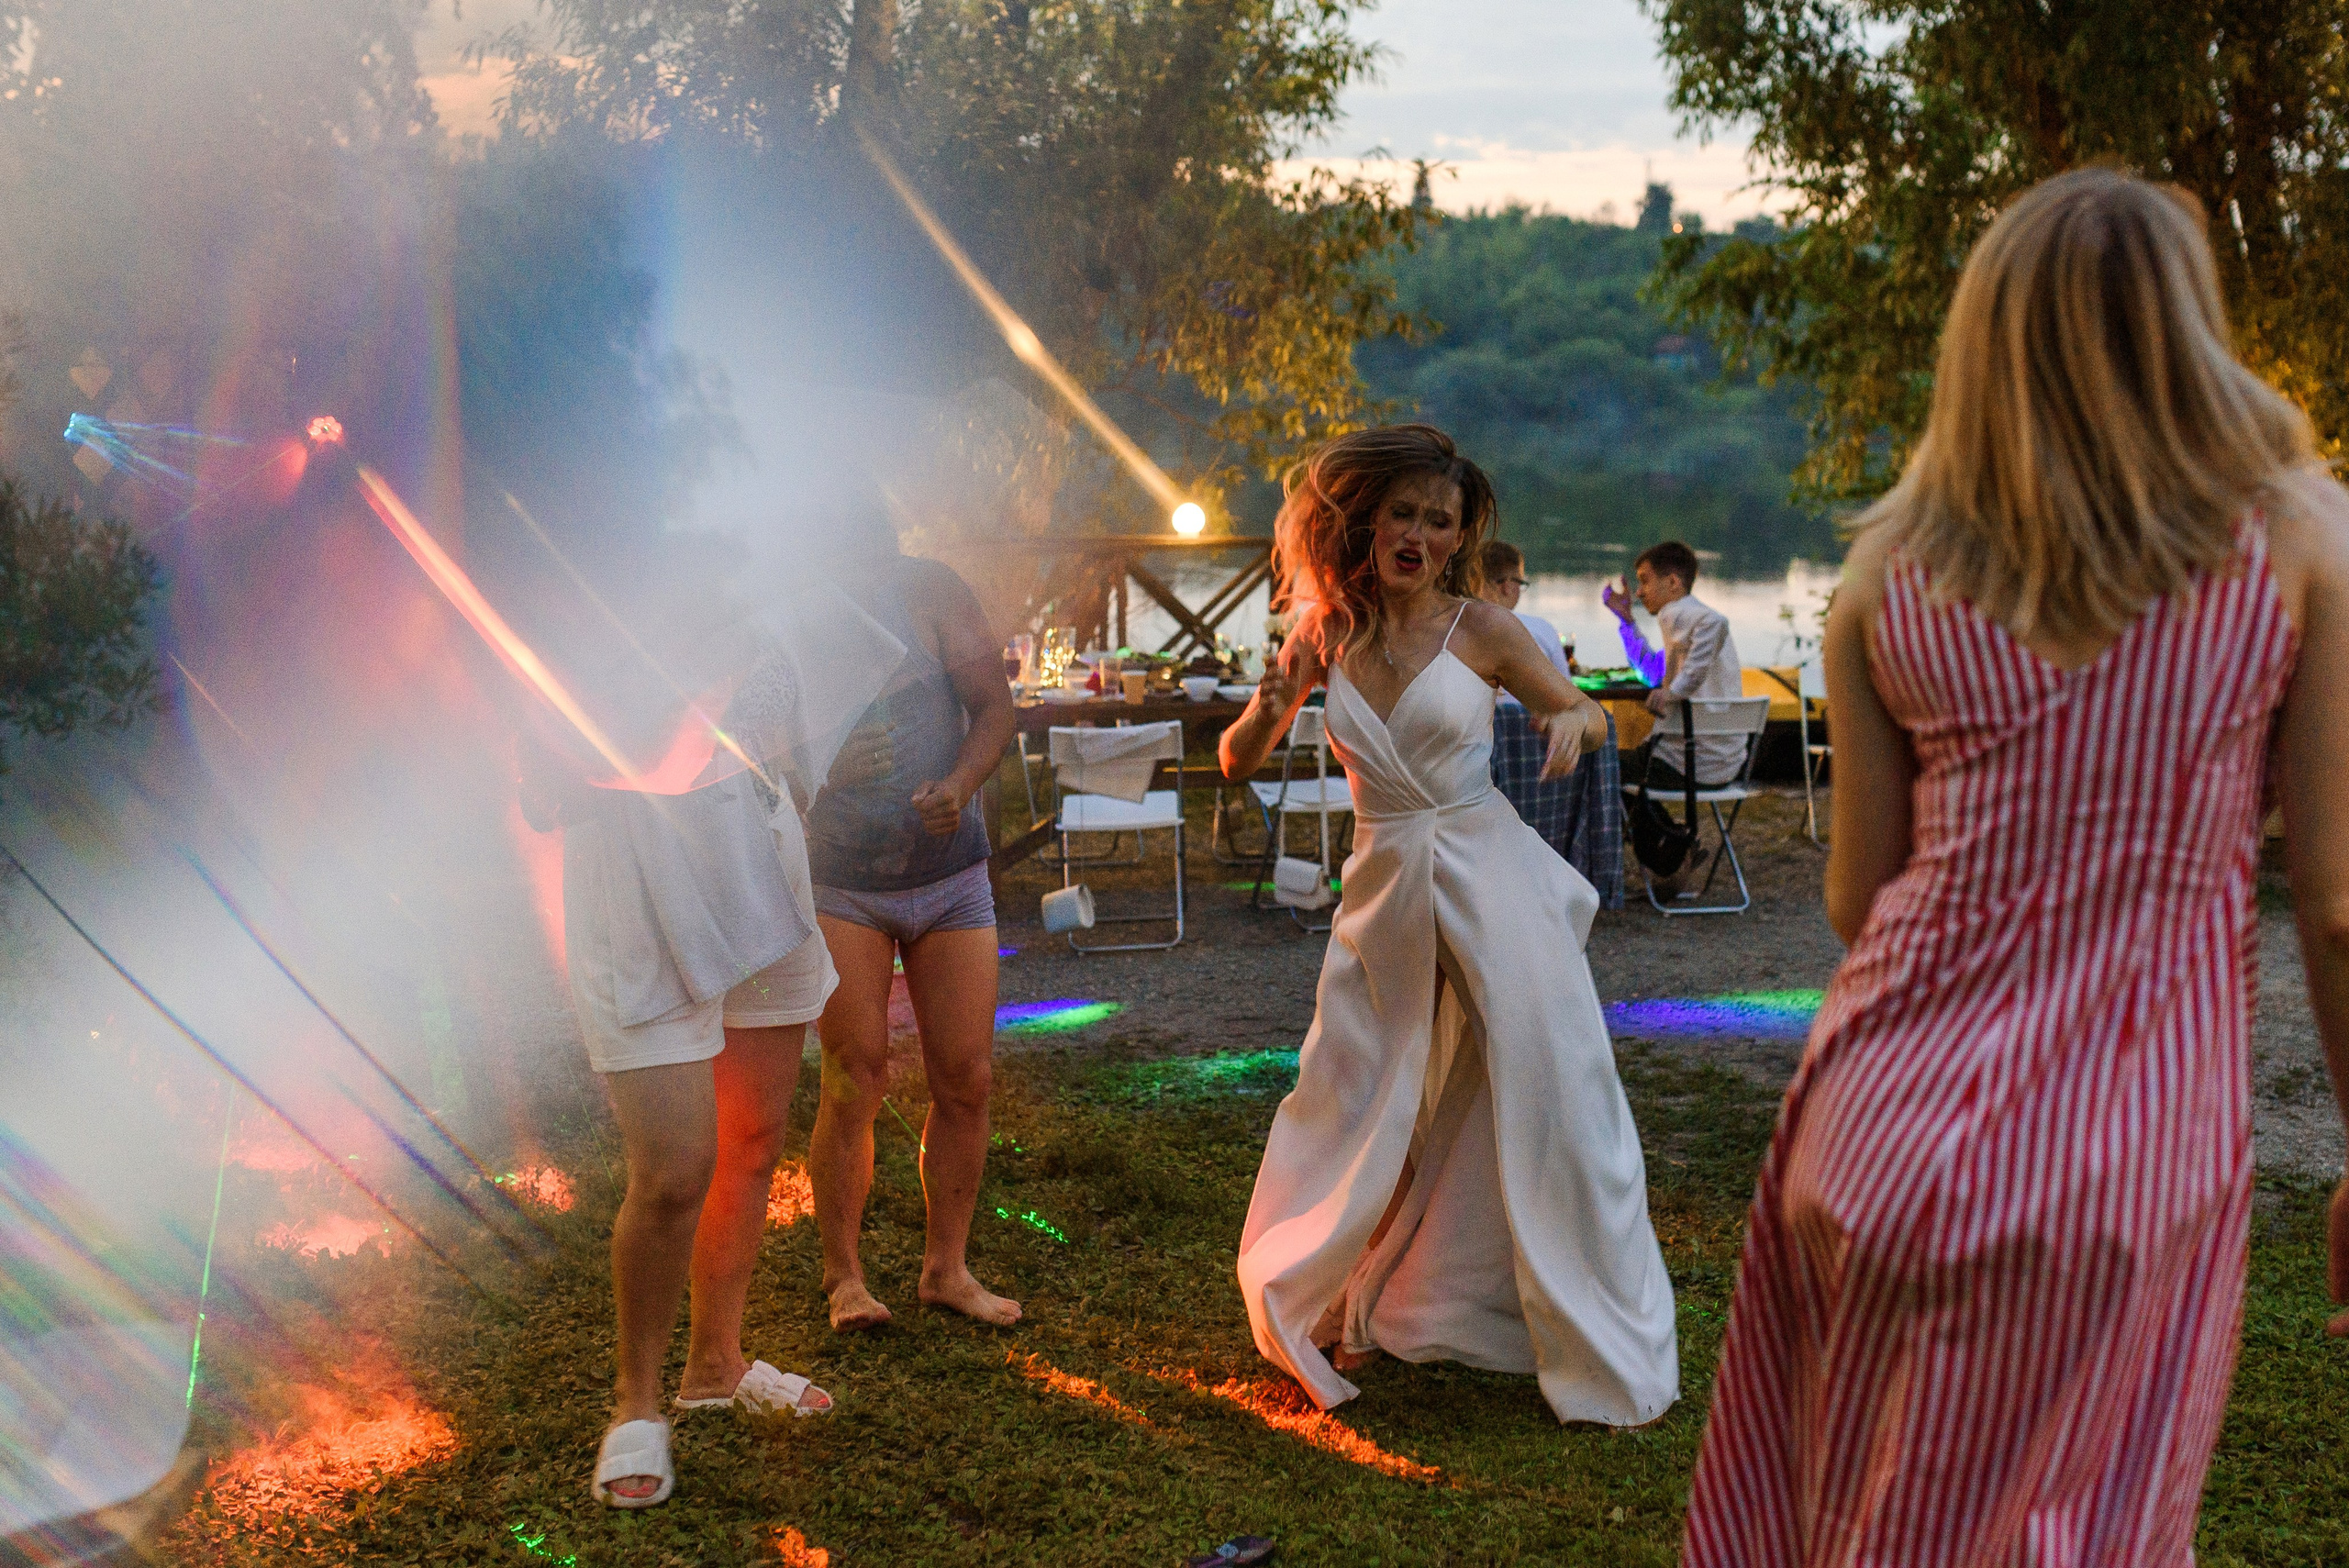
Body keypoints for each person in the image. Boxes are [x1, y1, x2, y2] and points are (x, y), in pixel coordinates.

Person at [1680, 168, 2349, 1564]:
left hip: (1870, 1129)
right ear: (2190, 324)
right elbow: (2337, 904)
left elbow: (1864, 899)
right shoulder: (2296, 539)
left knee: (1851, 1515)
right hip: (2124, 1146)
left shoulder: (1890, 571)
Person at [1221, 423, 1678, 1426]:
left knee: (1555, 1088)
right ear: (1366, 520)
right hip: (1383, 886)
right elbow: (1234, 758)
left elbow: (1588, 714)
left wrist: (1565, 720)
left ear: (1457, 535)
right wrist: (1265, 702)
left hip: (1487, 872)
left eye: (1440, 519)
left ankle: (1587, 1319)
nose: (1420, 533)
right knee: (1351, 1093)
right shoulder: (1323, 634)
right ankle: (1333, 1289)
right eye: (1404, 513)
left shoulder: (1483, 629)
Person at [523, 614, 849, 1510]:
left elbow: (795, 722)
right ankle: (635, 1399)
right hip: (634, 889)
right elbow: (544, 792)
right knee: (672, 1171)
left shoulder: (755, 585)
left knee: (750, 1140)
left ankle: (715, 1365)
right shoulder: (569, 597)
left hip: (756, 863)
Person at [803, 510, 1020, 1333]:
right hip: (841, 881)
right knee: (855, 1073)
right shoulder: (788, 612)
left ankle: (946, 1268)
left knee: (966, 1077)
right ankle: (845, 1279)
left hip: (951, 874)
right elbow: (744, 741)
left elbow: (994, 709)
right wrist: (817, 764)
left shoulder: (932, 591)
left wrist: (961, 784)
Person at [1602, 540, 1743, 786]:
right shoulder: (1685, 626)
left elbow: (1715, 621)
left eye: (1645, 580)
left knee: (1594, 764)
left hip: (1685, 763)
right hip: (1725, 765)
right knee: (1609, 768)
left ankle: (1653, 826)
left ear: (1673, 583)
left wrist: (1671, 693)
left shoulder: (1679, 612)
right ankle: (1663, 826)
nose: (1639, 592)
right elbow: (1652, 672)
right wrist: (1626, 621)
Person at [1475, 539, 1572, 679]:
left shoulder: (1454, 626)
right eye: (1520, 582)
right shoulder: (1540, 630)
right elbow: (1566, 687)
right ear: (1507, 585)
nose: (1520, 590)